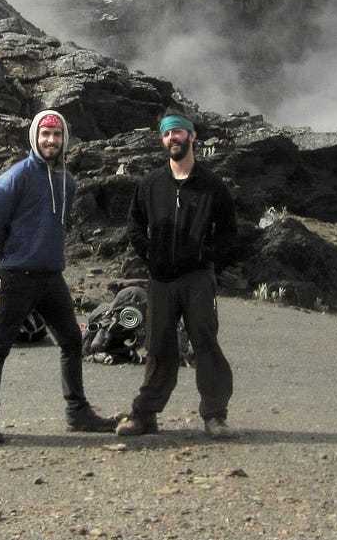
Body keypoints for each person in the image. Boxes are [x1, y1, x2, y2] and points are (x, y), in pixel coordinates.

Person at [0, 109, 120, 443]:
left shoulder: (68, 181)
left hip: (52, 276)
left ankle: (77, 412)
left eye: (56, 135)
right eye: (45, 134)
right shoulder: (15, 177)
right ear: (35, 138)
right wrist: (11, 257)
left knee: (71, 341)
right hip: (18, 275)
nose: (50, 140)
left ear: (64, 139)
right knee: (0, 345)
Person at [115, 113, 238, 439]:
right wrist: (150, 253)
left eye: (179, 132)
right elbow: (134, 224)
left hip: (197, 278)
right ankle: (144, 415)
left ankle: (215, 415)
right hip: (161, 280)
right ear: (162, 139)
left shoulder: (211, 185)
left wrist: (207, 257)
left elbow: (229, 232)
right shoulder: (151, 183)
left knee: (205, 342)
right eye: (167, 133)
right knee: (158, 347)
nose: (173, 138)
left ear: (192, 136)